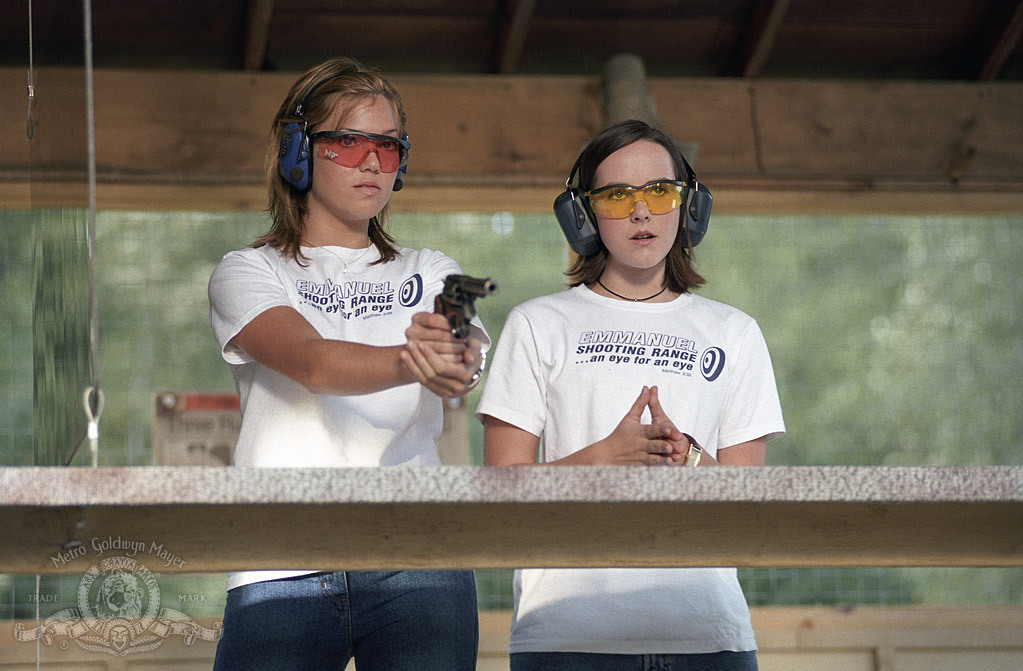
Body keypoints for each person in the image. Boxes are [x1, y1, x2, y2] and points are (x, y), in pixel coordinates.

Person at [208, 57, 487, 671]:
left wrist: (452, 358)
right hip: (279, 562)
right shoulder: (248, 271)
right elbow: (309, 361)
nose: (370, 162)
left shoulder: (435, 268)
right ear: (297, 152)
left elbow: (461, 355)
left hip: (421, 557)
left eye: (387, 147)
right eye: (347, 141)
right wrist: (415, 361)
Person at [477, 119, 785, 671]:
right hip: (566, 640)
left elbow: (752, 516)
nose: (641, 212)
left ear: (689, 207)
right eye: (617, 196)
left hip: (707, 638)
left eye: (659, 192)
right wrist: (605, 458)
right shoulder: (537, 325)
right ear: (583, 215)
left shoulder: (735, 332)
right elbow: (500, 500)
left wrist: (686, 456)